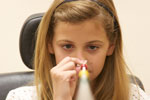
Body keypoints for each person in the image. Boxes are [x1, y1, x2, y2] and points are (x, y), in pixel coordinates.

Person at [6, 0, 150, 100]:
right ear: (50, 44)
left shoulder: (134, 96)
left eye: (92, 47)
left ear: (110, 47)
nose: (80, 60)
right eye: (67, 46)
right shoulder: (20, 97)